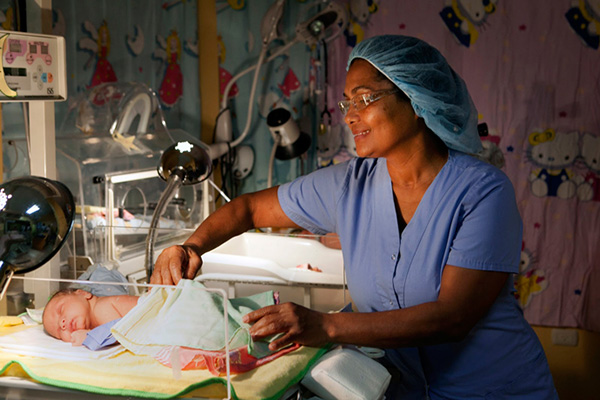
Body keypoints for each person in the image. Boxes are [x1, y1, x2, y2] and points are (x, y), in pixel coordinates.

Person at [151, 35, 558, 399]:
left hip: (495, 388)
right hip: (405, 390)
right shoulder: (350, 185)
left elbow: (452, 317)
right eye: (347, 102)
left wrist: (326, 325)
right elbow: (248, 208)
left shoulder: (483, 192)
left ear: (416, 101)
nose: (349, 115)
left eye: (364, 99)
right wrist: (190, 247)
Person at [42, 288, 138, 346]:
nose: (61, 324)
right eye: (59, 332)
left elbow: (117, 333)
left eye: (61, 310)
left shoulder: (101, 307)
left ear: (83, 293)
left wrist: (89, 337)